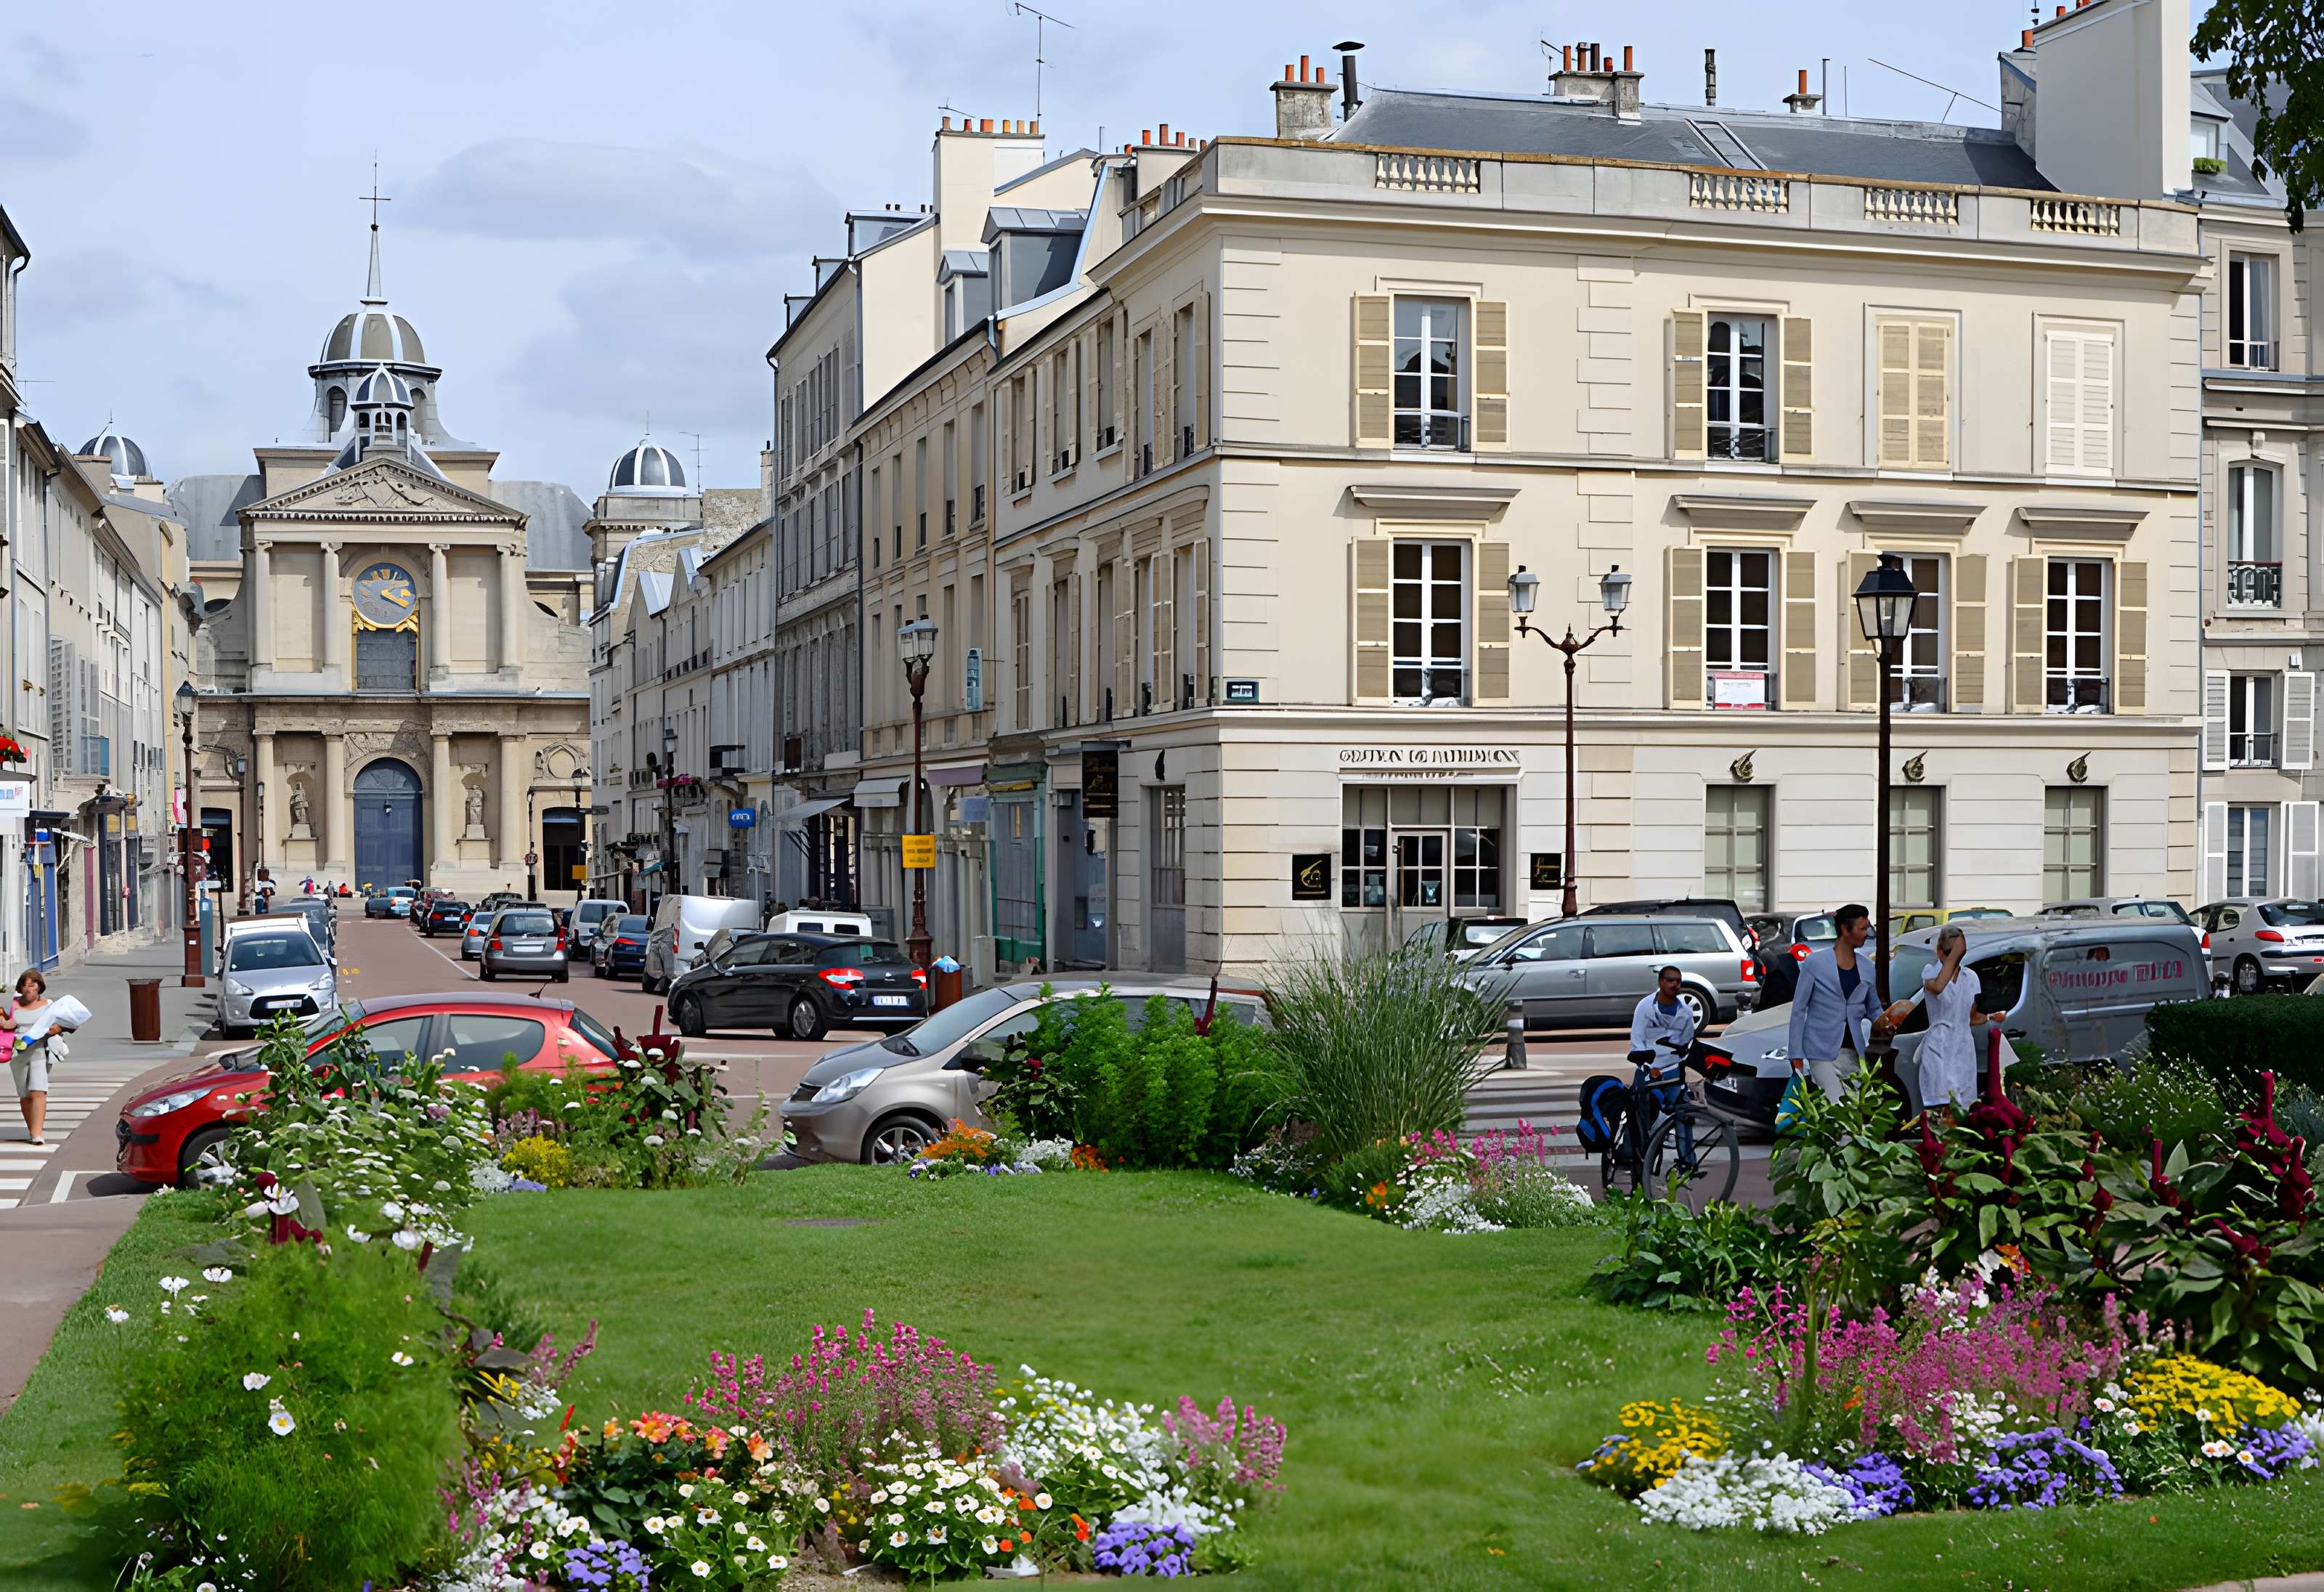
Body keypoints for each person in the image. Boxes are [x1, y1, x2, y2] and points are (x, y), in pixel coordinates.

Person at [1787, 903, 1884, 1100]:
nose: (1866, 934)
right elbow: (1799, 1009)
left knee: (1856, 1108)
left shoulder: (1867, 967)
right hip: (1821, 1049)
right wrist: (1796, 1054)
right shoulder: (1815, 963)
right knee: (1837, 1105)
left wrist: (1887, 1022)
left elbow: (1874, 1008)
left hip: (1854, 1050)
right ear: (1845, 930)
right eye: (1862, 929)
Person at [1895, 923, 1988, 1115]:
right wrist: (1953, 957)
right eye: (1949, 952)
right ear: (1939, 951)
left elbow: (1971, 1016)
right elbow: (1938, 987)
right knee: (1940, 1108)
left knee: (1964, 1111)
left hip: (1963, 1049)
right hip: (1938, 1047)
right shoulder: (1930, 972)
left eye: (1958, 953)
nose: (1953, 958)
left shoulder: (1970, 977)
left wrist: (1991, 1018)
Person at [7, 970, 77, 1146]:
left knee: (38, 1091)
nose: (28, 988)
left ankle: (37, 1134)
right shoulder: (15, 1006)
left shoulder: (49, 1005)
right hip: (18, 1053)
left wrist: (57, 1029)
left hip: (39, 1051)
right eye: (25, 985)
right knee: (24, 1095)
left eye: (32, 984)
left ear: (39, 987)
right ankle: (32, 1129)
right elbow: (10, 1026)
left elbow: (69, 1024)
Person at [1628, 964, 1698, 1079]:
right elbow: (1637, 1044)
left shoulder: (1686, 1012)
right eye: (1670, 981)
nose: (1675, 984)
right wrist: (1648, 1068)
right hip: (1647, 1072)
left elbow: (1687, 1043)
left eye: (1678, 981)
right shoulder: (1644, 1007)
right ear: (1661, 982)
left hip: (1674, 1072)